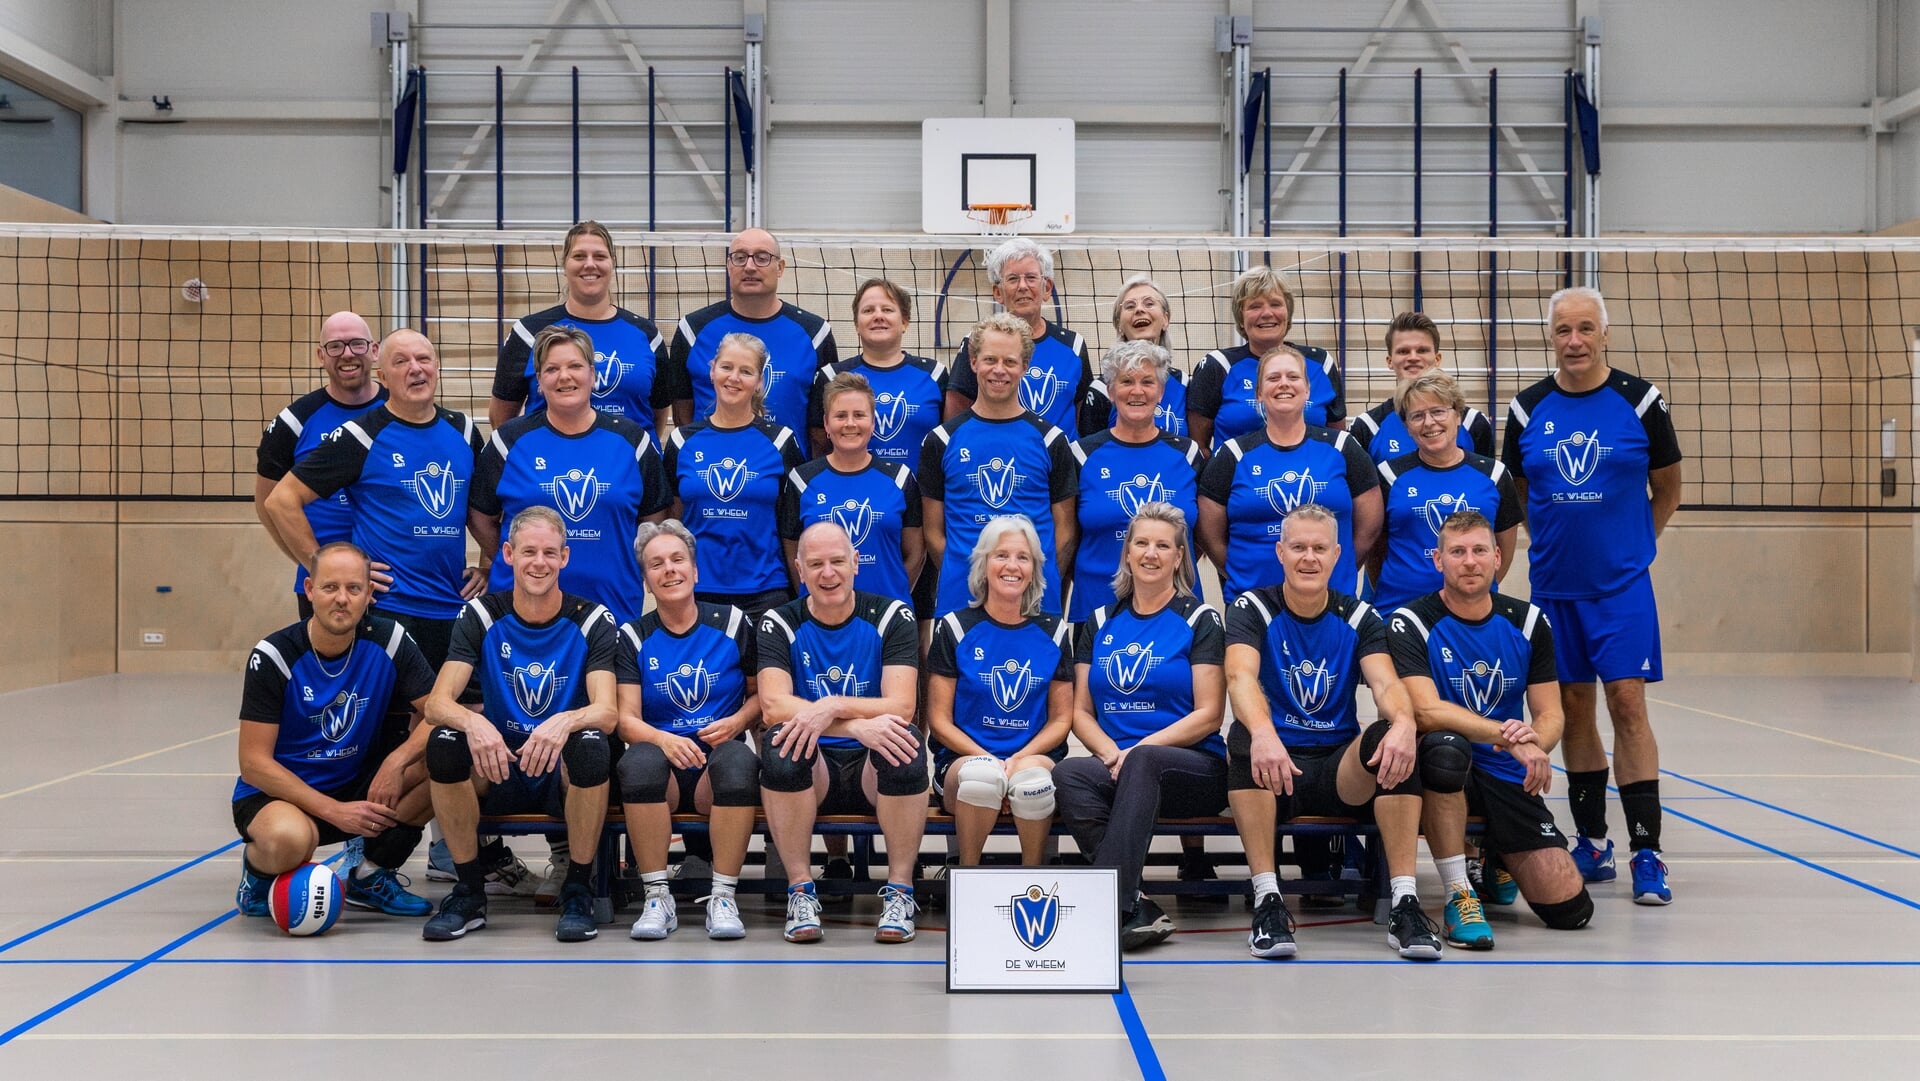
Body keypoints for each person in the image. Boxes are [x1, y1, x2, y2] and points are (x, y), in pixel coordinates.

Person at [1503, 286, 1683, 905]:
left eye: (1585, 329)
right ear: (1550, 336)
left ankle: (1648, 851)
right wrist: (1551, 541)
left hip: (1622, 588)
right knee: (1573, 710)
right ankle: (1594, 842)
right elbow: (1520, 490)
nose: (1574, 340)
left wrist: (1638, 547)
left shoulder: (1641, 401)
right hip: (1554, 590)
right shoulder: (1527, 409)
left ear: (1604, 333)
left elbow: (1668, 486)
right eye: (1562, 330)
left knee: (1628, 705)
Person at [1224, 505, 1453, 961]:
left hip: (1338, 773)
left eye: (1319, 548)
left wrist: (1406, 723)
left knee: (1392, 740)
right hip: (1276, 769)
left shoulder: (1360, 616)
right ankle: (1269, 902)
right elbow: (1240, 678)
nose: (1308, 557)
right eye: (1298, 548)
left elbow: (1387, 683)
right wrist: (1266, 732)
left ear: (1336, 556)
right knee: (1246, 734)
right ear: (1280, 552)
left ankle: (1404, 904)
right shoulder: (1252, 607)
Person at [1387, 509, 1595, 941]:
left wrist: (1536, 742)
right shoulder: (1412, 621)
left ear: (1498, 558)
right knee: (1445, 748)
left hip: (1504, 769)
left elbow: (1551, 712)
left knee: (1570, 910)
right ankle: (1458, 892)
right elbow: (1425, 711)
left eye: (1479, 550)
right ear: (1438, 560)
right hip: (1443, 766)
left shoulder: (1528, 621)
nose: (1469, 561)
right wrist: (1507, 735)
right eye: (1457, 552)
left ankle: (1498, 855)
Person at [418, 507, 619, 943]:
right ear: (507, 554)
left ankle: (578, 890)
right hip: (500, 764)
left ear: (565, 557)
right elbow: (437, 703)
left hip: (557, 767)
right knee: (445, 742)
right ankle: (469, 891)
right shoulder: (481, 616)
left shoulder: (592, 619)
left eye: (550, 552)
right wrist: (474, 724)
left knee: (590, 744)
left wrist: (563, 721)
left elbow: (606, 712)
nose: (539, 562)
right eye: (529, 551)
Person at [232, 542, 436, 921]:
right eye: (330, 588)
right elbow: (253, 764)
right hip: (281, 794)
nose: (341, 599)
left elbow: (437, 714)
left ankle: (369, 874)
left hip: (356, 782)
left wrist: (396, 761)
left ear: (369, 594)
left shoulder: (389, 641)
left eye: (353, 589)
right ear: (309, 590)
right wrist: (334, 812)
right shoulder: (275, 655)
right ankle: (258, 875)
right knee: (291, 842)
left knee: (446, 757)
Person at [1054, 503, 1227, 951]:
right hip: (1121, 763)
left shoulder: (1199, 619)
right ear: (1127, 553)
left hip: (1192, 767)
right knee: (1069, 773)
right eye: (1142, 543)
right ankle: (1134, 902)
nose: (1151, 553)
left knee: (1146, 761)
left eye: (1163, 545)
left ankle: (1101, 907)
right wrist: (1115, 755)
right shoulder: (1097, 622)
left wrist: (1137, 752)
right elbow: (1081, 714)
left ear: (1178, 557)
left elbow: (1209, 713)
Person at [264, 329, 489, 672]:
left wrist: (490, 565)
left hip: (452, 605)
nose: (415, 369)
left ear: (437, 367)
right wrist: (324, 569)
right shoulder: (361, 434)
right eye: (401, 362)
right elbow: (281, 500)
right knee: (388, 721)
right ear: (382, 376)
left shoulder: (464, 430)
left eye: (423, 359)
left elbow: (483, 513)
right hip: (387, 609)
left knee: (448, 717)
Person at [756, 522, 926, 944]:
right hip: (815, 771)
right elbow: (774, 705)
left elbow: (902, 705)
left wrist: (831, 705)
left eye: (836, 562)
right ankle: (800, 890)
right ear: (799, 569)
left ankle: (901, 892)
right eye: (815, 564)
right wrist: (854, 725)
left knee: (903, 744)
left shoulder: (892, 616)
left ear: (855, 564)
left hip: (870, 769)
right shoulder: (778, 621)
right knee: (780, 746)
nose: (827, 573)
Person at [614, 521, 762, 941]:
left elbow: (760, 697)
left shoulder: (732, 623)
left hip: (716, 763)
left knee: (738, 760)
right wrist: (663, 739)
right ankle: (657, 897)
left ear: (695, 571)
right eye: (656, 564)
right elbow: (625, 718)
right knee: (638, 762)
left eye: (678, 560)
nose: (669, 570)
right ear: (645, 578)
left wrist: (738, 721)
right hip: (666, 763)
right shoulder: (632, 636)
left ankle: (723, 895)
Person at [471, 325, 671, 626]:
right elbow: (479, 517)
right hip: (522, 612)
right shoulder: (508, 441)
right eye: (552, 369)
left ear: (593, 374)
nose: (564, 376)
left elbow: (654, 518)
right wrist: (515, 559)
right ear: (539, 381)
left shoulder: (632, 440)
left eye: (575, 366)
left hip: (612, 608)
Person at [925, 516, 1072, 866]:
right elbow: (939, 719)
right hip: (963, 760)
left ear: (1035, 568)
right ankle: (968, 877)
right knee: (982, 779)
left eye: (1023, 557)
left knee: (1032, 784)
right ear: (983, 563)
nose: (1012, 566)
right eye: (1001, 555)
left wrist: (1017, 761)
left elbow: (1061, 718)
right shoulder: (955, 627)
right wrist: (990, 761)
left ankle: (1032, 877)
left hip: (1033, 757)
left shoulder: (1054, 631)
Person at [921, 313, 1078, 617]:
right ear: (973, 361)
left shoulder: (1051, 440)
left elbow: (1065, 532)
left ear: (1025, 366)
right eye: (990, 359)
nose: (999, 370)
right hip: (961, 599)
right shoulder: (940, 440)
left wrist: (1024, 578)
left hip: (1033, 602)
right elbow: (933, 533)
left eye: (1009, 361)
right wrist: (974, 576)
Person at [1197, 345, 1380, 603]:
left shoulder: (1342, 447)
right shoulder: (1233, 454)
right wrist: (1243, 574)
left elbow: (1368, 529)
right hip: (1254, 604)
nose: (1284, 384)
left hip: (1332, 601)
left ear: (1307, 390)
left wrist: (1341, 567)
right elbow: (1210, 535)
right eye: (1273, 378)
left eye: (1293, 377)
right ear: (1259, 393)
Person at [663, 332, 807, 622]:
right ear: (712, 369)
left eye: (746, 371)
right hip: (698, 591)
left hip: (767, 591)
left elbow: (793, 524)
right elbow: (674, 517)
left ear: (759, 382)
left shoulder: (781, 442)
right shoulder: (681, 441)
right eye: (727, 367)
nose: (734, 378)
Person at [254, 311, 388, 618]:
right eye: (335, 347)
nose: (347, 354)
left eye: (357, 344)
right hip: (325, 590)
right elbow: (267, 506)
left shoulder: (399, 411)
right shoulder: (294, 422)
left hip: (390, 582)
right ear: (320, 355)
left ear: (374, 350)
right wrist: (313, 564)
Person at [488, 220, 673, 437]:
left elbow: (658, 415)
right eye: (579, 256)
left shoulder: (647, 334)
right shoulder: (529, 332)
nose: (590, 264)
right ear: (564, 264)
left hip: (629, 466)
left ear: (612, 264)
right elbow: (500, 418)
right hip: (552, 463)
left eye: (600, 256)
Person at [664, 228, 837, 450]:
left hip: (787, 472)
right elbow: (682, 409)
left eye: (762, 258)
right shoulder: (693, 329)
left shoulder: (815, 333)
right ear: (729, 266)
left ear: (780, 268)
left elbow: (821, 425)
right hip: (707, 468)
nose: (750, 266)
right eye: (740, 257)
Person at [1069, 340, 1203, 623]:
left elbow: (1201, 534)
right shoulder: (1082, 454)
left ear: (1161, 391)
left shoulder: (1187, 453)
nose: (1137, 391)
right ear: (1111, 390)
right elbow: (1067, 535)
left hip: (1176, 604)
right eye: (1126, 381)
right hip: (1097, 602)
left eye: (1147, 381)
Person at [1371, 370, 1521, 613]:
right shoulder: (1388, 475)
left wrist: (1471, 591)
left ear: (1458, 415)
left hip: (1471, 614)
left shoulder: (1494, 475)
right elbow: (1375, 552)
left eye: (1438, 411)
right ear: (1407, 426)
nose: (1429, 422)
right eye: (1417, 416)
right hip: (1400, 610)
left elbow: (1502, 552)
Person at [780, 371, 924, 609]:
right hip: (821, 616)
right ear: (826, 423)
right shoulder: (802, 480)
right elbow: (793, 551)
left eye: (859, 415)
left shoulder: (899, 478)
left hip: (887, 615)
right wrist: (816, 599)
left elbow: (916, 552)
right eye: (840, 416)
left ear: (873, 422)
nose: (850, 424)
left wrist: (890, 600)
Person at [944, 237, 1096, 439]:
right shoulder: (977, 341)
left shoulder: (1073, 346)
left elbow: (1081, 413)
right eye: (1013, 279)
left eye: (1031, 278)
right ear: (998, 292)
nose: (1022, 286)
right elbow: (956, 412)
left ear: (1047, 288)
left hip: (1060, 464)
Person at [1190, 266, 1343, 451]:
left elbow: (1338, 442)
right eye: (1255, 306)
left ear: (1288, 312)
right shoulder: (1218, 366)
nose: (1267, 313)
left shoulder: (1320, 363)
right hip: (1237, 477)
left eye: (1275, 304)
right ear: (1240, 318)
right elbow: (1199, 448)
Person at [808, 278, 947, 464]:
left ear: (904, 322)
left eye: (887, 309)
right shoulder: (832, 376)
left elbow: (948, 440)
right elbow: (819, 443)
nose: (878, 316)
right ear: (857, 324)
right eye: (868, 310)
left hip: (919, 492)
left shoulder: (934, 374)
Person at [1350, 312, 1495, 465]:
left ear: (1437, 359)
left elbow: (1485, 482)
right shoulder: (1367, 427)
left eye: (1422, 350)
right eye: (1403, 351)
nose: (1413, 357)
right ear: (1390, 361)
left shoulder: (1473, 423)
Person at [1083, 276, 1188, 436]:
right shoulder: (1101, 390)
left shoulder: (1184, 384)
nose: (1139, 310)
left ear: (1165, 320)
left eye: (1149, 303)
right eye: (1130, 306)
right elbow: (1090, 449)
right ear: (1119, 325)